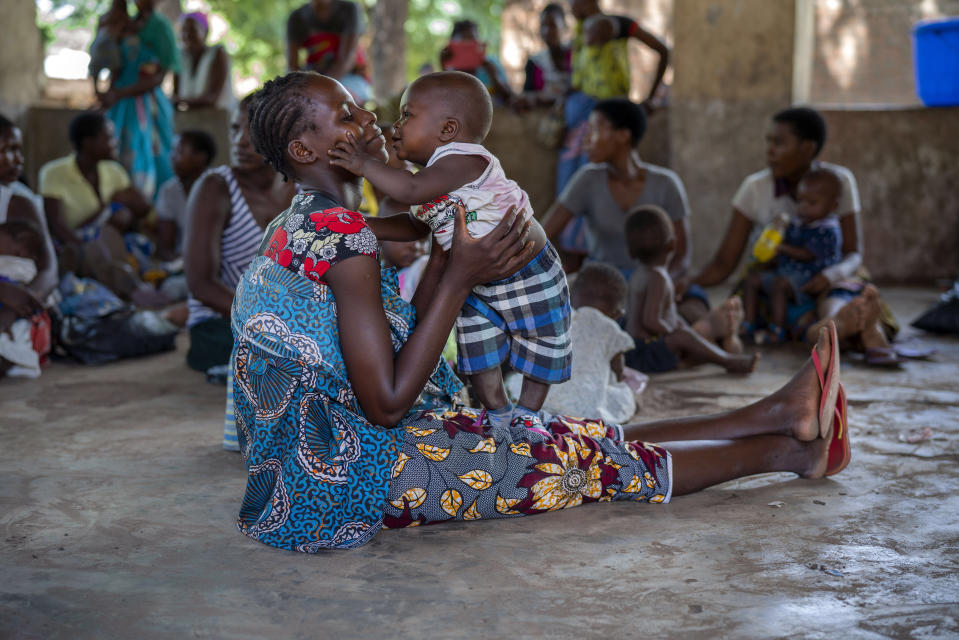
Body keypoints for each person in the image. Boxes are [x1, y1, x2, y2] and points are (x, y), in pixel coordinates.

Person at [228, 71, 848, 552]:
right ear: (305, 149)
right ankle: (791, 452)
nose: (368, 117)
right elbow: (386, 402)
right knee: (585, 463)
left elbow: (393, 343)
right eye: (346, 114)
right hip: (352, 479)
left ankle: (779, 412)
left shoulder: (302, 224)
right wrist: (462, 274)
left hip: (326, 457)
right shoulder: (343, 241)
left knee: (564, 435)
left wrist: (451, 261)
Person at [327, 70, 570, 428]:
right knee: (478, 350)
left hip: (527, 270)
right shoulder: (432, 181)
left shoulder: (464, 160)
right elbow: (418, 225)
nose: (396, 125)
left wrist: (364, 165)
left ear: (448, 130)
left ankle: (529, 415)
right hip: (478, 279)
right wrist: (369, 225)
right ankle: (500, 413)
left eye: (407, 115)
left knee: (542, 341)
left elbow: (408, 192)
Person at [690, 107, 897, 361]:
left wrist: (829, 275)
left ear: (808, 149)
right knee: (752, 302)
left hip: (828, 275)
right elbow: (724, 263)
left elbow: (853, 252)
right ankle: (840, 330)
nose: (770, 151)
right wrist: (685, 284)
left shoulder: (838, 181)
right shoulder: (755, 187)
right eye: (769, 142)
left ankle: (861, 327)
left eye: (779, 142)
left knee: (847, 292)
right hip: (778, 286)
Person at [542, 98, 714, 322]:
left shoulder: (666, 184)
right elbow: (544, 232)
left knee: (694, 311)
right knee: (587, 316)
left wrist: (661, 283)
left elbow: (681, 254)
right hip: (601, 282)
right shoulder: (587, 179)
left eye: (594, 130)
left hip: (651, 278)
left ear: (623, 135)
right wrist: (558, 269)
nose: (586, 140)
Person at [183, 96, 298, 375]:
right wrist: (271, 321)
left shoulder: (301, 189)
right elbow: (201, 284)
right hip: (220, 325)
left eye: (252, 132)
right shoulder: (216, 188)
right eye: (235, 130)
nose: (240, 141)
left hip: (286, 324)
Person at [556, 0, 668, 212]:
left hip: (608, 117)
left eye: (573, 2)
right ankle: (574, 242)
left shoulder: (619, 26)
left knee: (606, 181)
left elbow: (663, 50)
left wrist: (651, 99)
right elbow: (578, 81)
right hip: (579, 121)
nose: (570, 7)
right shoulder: (578, 34)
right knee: (573, 185)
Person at [624, 205, 759, 375]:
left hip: (632, 348)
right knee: (683, 337)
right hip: (645, 353)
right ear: (672, 244)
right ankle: (727, 360)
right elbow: (651, 320)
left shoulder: (639, 274)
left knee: (687, 333)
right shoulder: (657, 276)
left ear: (630, 253)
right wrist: (675, 331)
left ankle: (705, 345)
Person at [38, 112, 151, 299]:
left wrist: (124, 209)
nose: (115, 142)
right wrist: (90, 248)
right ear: (88, 142)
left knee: (128, 229)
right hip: (74, 244)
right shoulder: (54, 173)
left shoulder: (114, 171)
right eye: (108, 138)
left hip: (111, 243)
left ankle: (125, 282)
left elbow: (142, 209)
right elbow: (57, 226)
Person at [742, 169, 843, 344]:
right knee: (752, 280)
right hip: (787, 272)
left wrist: (781, 248)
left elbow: (808, 254)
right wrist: (777, 226)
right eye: (801, 200)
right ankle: (747, 325)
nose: (804, 207)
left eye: (812, 202)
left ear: (832, 206)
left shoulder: (828, 229)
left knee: (779, 285)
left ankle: (777, 330)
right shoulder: (799, 221)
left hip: (809, 278)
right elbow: (778, 237)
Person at [540, 262, 640, 423]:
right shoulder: (611, 330)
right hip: (585, 412)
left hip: (540, 401)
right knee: (624, 393)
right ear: (618, 314)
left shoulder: (560, 318)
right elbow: (618, 372)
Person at [98, 0, 179, 198]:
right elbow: (113, 64)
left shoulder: (161, 27)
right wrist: (109, 93)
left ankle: (155, 209)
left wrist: (122, 92)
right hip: (120, 104)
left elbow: (160, 76)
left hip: (147, 103)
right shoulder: (123, 23)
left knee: (154, 154)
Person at [0, 115, 58, 302]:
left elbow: (49, 271)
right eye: (10, 150)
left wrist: (26, 299)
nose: (20, 159)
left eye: (19, 150)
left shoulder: (18, 201)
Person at [286, 0, 372, 103]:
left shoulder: (349, 9)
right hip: (313, 76)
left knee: (342, 101)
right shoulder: (296, 17)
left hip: (349, 76)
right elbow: (292, 66)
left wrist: (321, 88)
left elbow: (347, 60)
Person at [155, 130, 217, 261]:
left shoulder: (220, 187)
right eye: (173, 151)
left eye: (179, 152)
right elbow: (166, 247)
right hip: (184, 262)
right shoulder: (169, 192)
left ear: (200, 158)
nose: (172, 157)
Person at [0, 220, 49, 378]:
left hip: (12, 317)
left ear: (19, 244)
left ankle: (8, 355)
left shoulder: (18, 265)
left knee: (16, 311)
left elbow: (22, 302)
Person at [440, 20, 514, 105]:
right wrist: (444, 68)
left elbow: (509, 96)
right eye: (464, 44)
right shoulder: (450, 70)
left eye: (472, 41)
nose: (468, 48)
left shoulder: (491, 64)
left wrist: (494, 77)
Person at [173, 12, 236, 112]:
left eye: (192, 30)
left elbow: (213, 98)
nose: (187, 35)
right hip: (192, 120)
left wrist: (180, 101)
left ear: (205, 32)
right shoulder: (181, 57)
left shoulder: (217, 53)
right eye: (183, 31)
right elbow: (175, 96)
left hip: (220, 119)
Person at [521, 4, 572, 102]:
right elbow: (527, 95)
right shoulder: (534, 63)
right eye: (543, 25)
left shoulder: (577, 58)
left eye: (553, 25)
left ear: (564, 27)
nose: (547, 31)